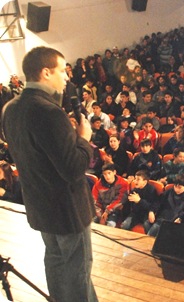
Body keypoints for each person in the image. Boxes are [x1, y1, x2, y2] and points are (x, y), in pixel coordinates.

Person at [1, 46, 98, 302]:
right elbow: (74, 168)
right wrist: (83, 139)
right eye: (62, 71)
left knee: (56, 264)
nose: (67, 77)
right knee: (77, 270)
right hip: (67, 211)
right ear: (46, 72)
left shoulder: (10, 109)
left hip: (40, 206)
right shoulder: (49, 112)